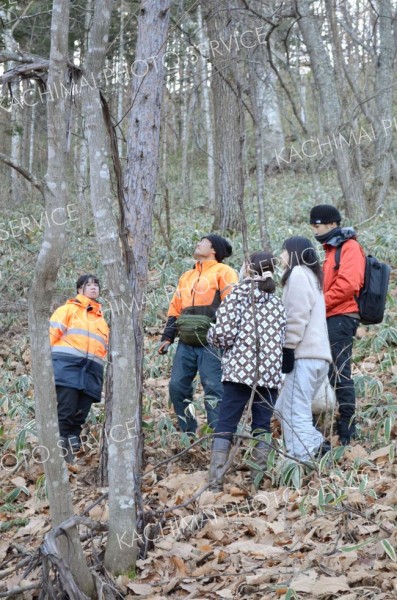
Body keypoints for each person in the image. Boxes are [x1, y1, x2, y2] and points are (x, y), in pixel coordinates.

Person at [206, 252, 286, 491]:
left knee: (226, 423)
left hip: (239, 373)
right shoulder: (276, 301)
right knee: (262, 425)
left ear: (248, 269)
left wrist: (210, 333)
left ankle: (215, 483)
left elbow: (224, 335)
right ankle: (257, 482)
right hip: (269, 374)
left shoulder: (237, 296)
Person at [158, 235, 238, 434]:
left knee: (213, 388)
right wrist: (167, 337)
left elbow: (232, 305)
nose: (197, 244)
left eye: (202, 242)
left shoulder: (225, 272)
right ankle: (189, 432)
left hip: (212, 341)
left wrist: (224, 336)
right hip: (186, 341)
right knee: (177, 387)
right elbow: (175, 307)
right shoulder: (187, 276)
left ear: (214, 250)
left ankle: (218, 436)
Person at [310, 204, 365, 445]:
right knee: (330, 370)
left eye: (318, 225)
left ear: (333, 224)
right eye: (312, 225)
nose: (314, 230)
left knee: (340, 372)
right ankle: (331, 423)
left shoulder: (349, 247)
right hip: (330, 316)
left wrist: (319, 304)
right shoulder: (332, 249)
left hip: (341, 317)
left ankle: (347, 428)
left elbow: (348, 285)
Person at [274, 237, 332, 461]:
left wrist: (287, 348)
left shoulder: (298, 274)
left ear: (294, 252)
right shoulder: (312, 276)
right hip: (318, 357)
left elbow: (296, 316)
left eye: (284, 250)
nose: (281, 256)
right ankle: (316, 445)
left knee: (294, 411)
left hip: (303, 355)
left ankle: (302, 457)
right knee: (283, 408)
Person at [49, 274, 109, 462]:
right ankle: (58, 460)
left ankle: (70, 458)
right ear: (79, 289)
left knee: (80, 416)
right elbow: (48, 338)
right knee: (65, 413)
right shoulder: (67, 310)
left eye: (96, 285)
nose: (93, 288)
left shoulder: (101, 319)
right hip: (67, 369)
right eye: (88, 285)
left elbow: (103, 348)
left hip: (91, 373)